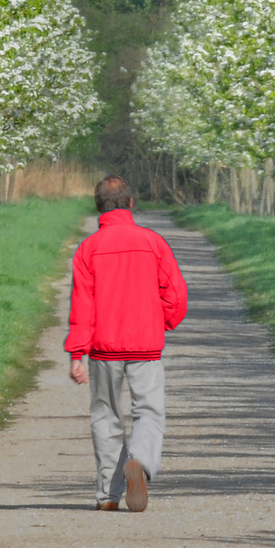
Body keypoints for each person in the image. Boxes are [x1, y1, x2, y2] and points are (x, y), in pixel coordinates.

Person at [66, 175, 187, 512]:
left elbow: (82, 305)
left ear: (98, 206)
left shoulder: (87, 249)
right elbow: (175, 295)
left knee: (105, 416)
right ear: (131, 203)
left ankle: (108, 494)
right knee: (149, 412)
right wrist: (161, 321)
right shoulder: (153, 242)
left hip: (103, 348)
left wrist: (78, 353)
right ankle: (140, 461)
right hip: (145, 346)